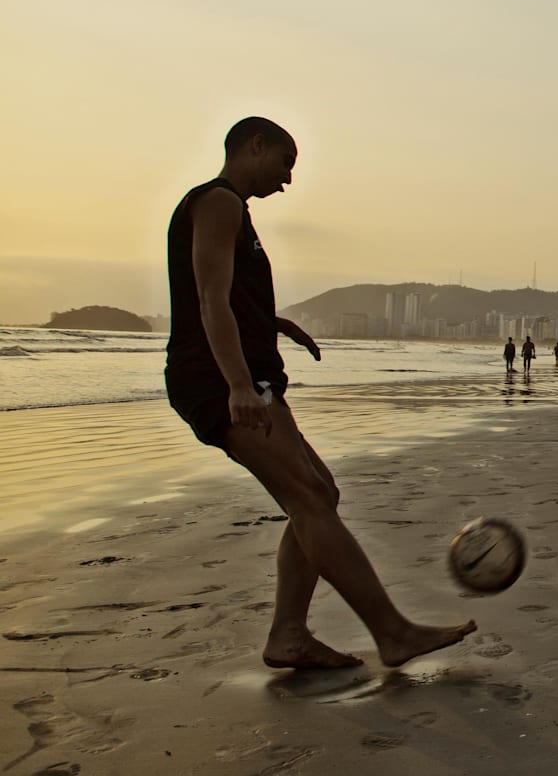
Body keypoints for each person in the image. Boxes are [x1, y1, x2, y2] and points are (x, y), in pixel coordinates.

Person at [163, 117, 474, 671]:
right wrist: (238, 384)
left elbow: (225, 296)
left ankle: (289, 634)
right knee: (307, 496)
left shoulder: (233, 210)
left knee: (320, 493)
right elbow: (208, 299)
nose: (287, 179)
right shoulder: (218, 202)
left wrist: (271, 323)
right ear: (254, 146)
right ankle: (392, 632)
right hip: (217, 378)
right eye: (285, 162)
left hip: (237, 371)